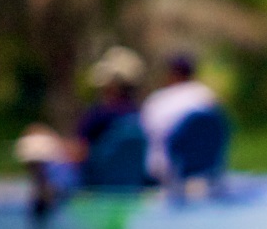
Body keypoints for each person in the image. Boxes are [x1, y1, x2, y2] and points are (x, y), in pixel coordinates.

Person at [77, 46, 150, 190]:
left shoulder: (99, 115)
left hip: (97, 185)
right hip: (133, 186)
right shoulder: (137, 114)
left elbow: (79, 151)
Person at [139, 53, 220, 183]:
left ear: (171, 74)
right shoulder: (207, 96)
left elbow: (145, 135)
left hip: (163, 173)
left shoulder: (157, 100)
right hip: (207, 172)